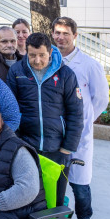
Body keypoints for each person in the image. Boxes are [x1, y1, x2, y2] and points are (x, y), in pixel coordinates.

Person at [52, 17, 109, 219]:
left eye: (66, 33)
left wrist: (84, 121)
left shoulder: (89, 65)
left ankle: (84, 217)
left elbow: (101, 99)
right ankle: (54, 215)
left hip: (79, 135)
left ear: (75, 36)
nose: (61, 37)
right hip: (54, 132)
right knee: (55, 179)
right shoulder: (51, 60)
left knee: (80, 182)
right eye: (57, 32)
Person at [7, 33, 84, 166]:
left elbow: (76, 112)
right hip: (25, 146)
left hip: (57, 147)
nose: (37, 60)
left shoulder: (66, 74)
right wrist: (16, 141)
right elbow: (9, 109)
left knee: (54, 187)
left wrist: (67, 148)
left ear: (50, 52)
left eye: (42, 55)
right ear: (26, 52)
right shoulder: (16, 71)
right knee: (28, 186)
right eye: (32, 55)